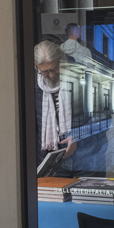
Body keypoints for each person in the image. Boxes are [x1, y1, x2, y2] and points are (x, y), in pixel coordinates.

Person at [33, 40, 76, 168]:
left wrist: (78, 138)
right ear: (37, 68)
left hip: (79, 160)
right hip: (47, 158)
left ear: (61, 60)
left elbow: (98, 119)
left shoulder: (78, 76)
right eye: (44, 72)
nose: (51, 75)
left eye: (54, 69)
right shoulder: (33, 85)